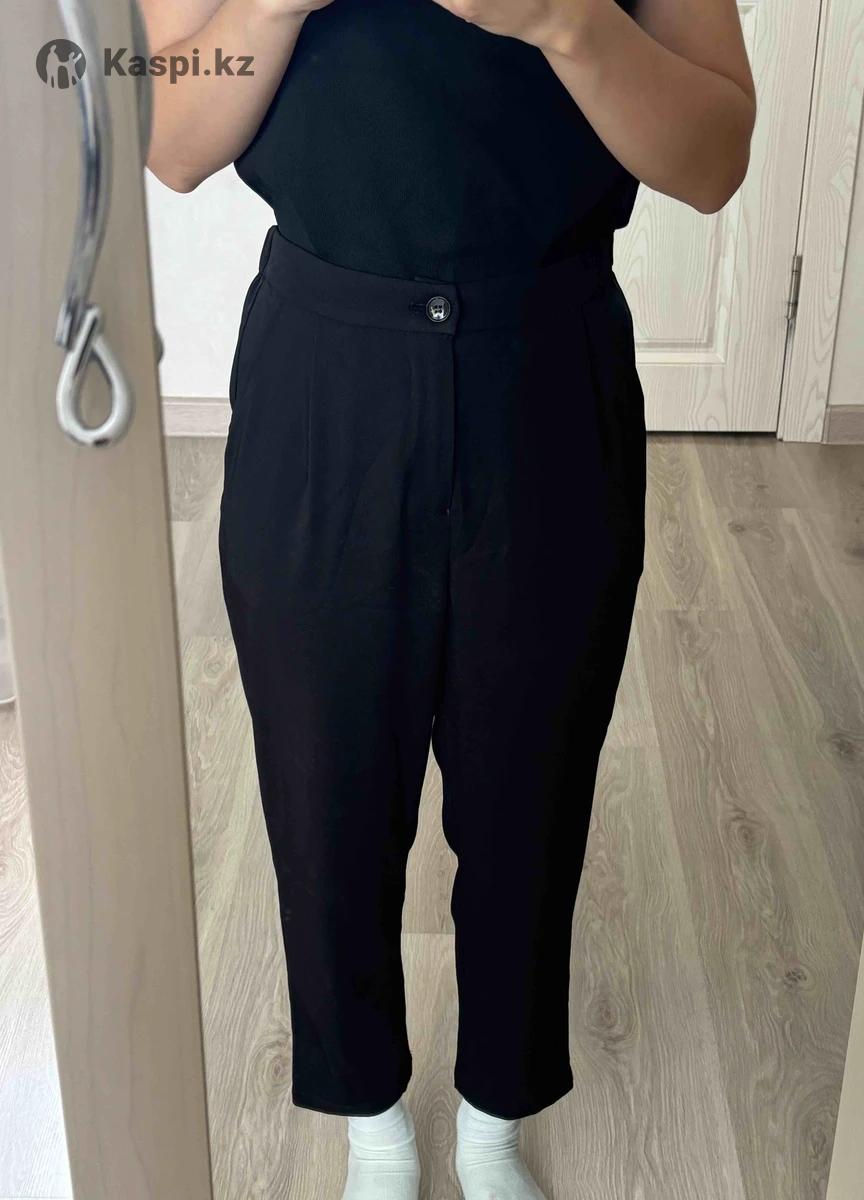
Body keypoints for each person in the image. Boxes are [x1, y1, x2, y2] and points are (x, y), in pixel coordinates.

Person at [142, 0, 754, 1195]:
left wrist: (567, 20)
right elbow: (168, 138)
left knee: (532, 783)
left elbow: (716, 157)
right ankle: (372, 1122)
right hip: (326, 374)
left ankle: (493, 1122)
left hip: (545, 364)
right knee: (324, 785)